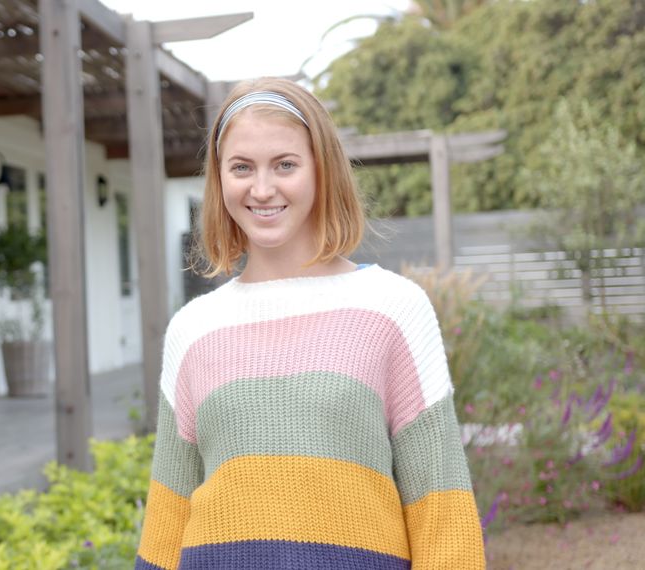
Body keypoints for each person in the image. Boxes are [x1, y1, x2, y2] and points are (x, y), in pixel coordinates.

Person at [134, 78, 485, 569]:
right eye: (241, 167)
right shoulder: (193, 329)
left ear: (322, 170)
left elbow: (442, 511)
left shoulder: (392, 309)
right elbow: (168, 518)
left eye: (285, 164)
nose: (261, 188)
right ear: (219, 180)